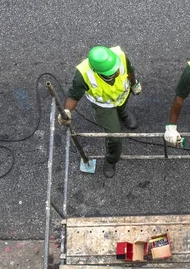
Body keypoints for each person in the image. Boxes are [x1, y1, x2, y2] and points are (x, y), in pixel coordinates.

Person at [59, 46, 141, 178]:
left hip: (122, 96)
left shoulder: (120, 56)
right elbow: (73, 96)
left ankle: (123, 114)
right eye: (111, 73)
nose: (116, 73)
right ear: (98, 72)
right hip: (104, 106)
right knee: (115, 138)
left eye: (115, 70)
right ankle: (111, 160)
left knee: (122, 107)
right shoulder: (83, 74)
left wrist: (133, 84)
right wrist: (67, 111)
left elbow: (129, 71)